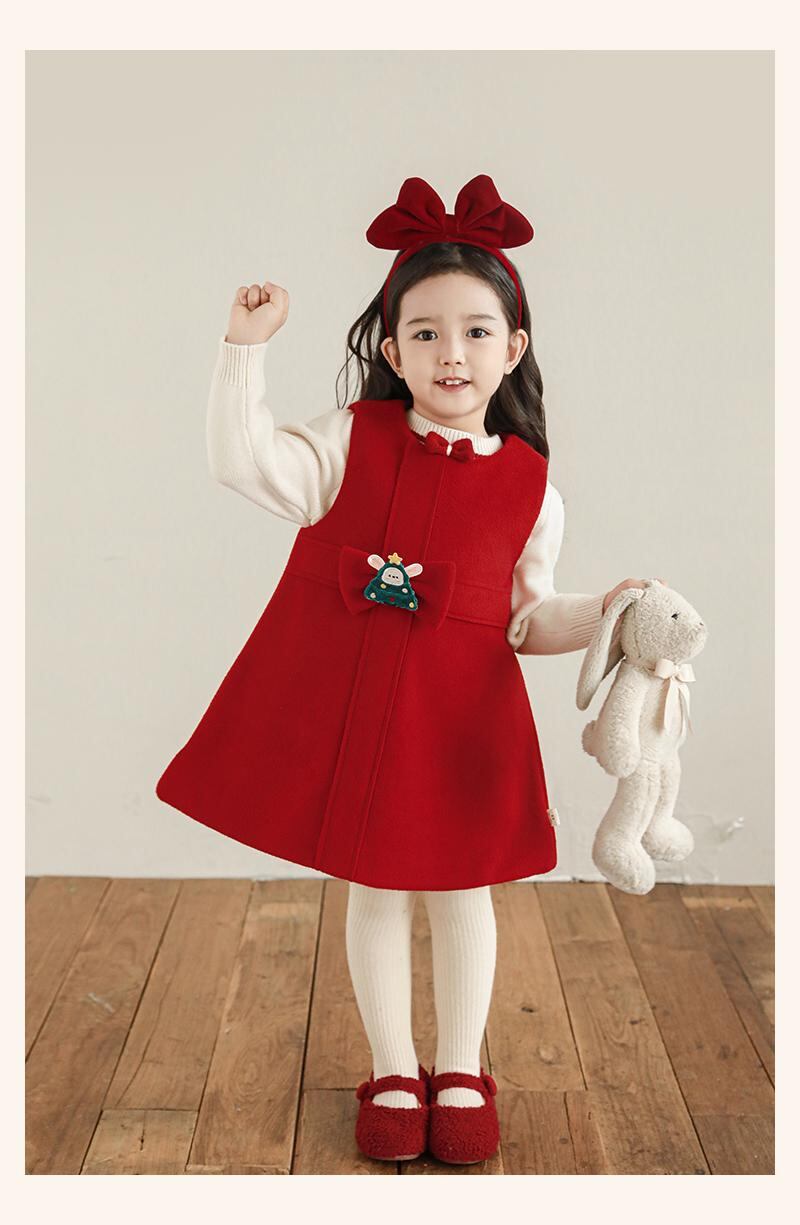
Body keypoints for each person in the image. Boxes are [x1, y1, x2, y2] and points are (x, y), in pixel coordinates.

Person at [156, 175, 666, 1165]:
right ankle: (394, 1070)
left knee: (462, 889)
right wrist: (243, 350)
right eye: (424, 332)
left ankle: (461, 1069)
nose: (450, 352)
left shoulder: (531, 484)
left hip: (459, 718)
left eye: (476, 331)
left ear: (512, 348)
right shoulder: (351, 437)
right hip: (360, 712)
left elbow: (525, 618)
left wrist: (607, 611)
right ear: (392, 350)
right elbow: (241, 462)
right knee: (377, 886)